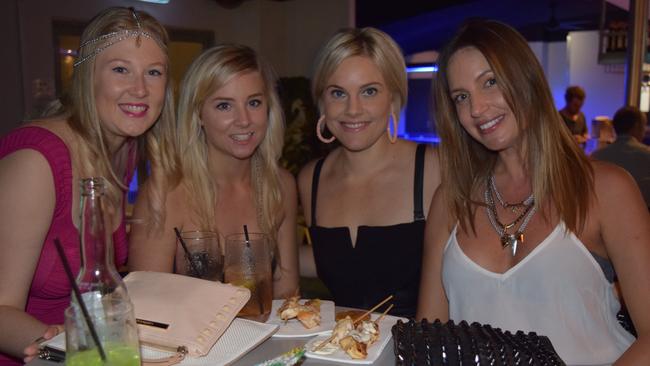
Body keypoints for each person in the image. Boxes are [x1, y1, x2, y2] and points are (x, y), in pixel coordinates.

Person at [417, 19, 650, 365]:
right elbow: (430, 339)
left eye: (490, 82)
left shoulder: (606, 189)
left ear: (526, 78)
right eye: (461, 97)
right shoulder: (451, 201)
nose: (477, 109)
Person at [0, 7, 175, 365]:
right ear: (87, 76)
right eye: (120, 69)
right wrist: (67, 351)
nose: (140, 88)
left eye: (153, 73)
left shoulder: (125, 152)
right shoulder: (37, 160)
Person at [128, 44, 299, 299]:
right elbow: (146, 308)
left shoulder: (280, 185)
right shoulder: (165, 194)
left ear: (269, 108)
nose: (243, 120)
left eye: (253, 102)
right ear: (198, 114)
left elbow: (288, 291)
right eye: (224, 106)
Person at [298, 27, 440, 318]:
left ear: (394, 96)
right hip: (342, 354)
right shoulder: (310, 179)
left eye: (369, 91)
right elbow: (349, 259)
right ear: (321, 101)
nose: (353, 109)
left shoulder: (435, 169)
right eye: (338, 93)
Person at [592, 106, 650, 208]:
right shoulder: (647, 154)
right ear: (637, 127)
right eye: (644, 126)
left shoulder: (596, 156)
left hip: (603, 217)